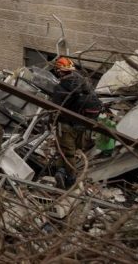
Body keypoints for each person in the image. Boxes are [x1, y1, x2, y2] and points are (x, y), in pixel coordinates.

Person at [52, 56, 101, 189]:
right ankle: (61, 172)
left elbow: (55, 108)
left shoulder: (60, 87)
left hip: (66, 125)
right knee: (69, 150)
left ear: (59, 71)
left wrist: (51, 122)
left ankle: (70, 179)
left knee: (67, 152)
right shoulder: (83, 82)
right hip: (82, 125)